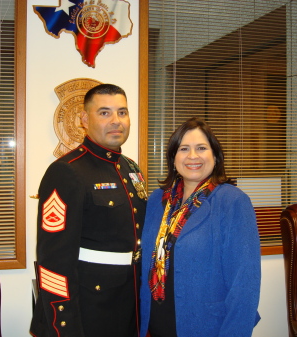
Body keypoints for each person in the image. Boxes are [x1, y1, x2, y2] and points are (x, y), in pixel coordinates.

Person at [30, 84, 147, 337]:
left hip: (129, 300)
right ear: (84, 119)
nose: (116, 121)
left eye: (122, 112)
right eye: (104, 113)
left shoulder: (131, 168)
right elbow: (53, 260)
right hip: (89, 308)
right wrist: (63, 323)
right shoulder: (67, 171)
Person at [140, 117, 261, 337]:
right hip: (154, 324)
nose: (193, 156)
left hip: (205, 325)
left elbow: (245, 285)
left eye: (201, 148)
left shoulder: (232, 202)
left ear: (214, 156)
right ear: (173, 158)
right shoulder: (158, 201)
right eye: (184, 148)